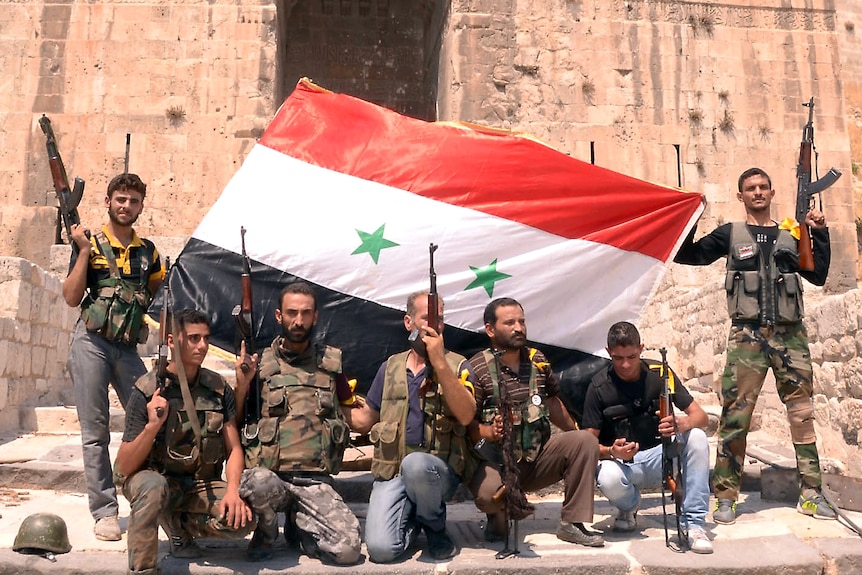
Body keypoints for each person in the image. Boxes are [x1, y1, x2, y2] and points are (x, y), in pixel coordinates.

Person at [674, 167, 836, 523]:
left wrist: (819, 233)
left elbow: (818, 275)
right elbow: (689, 255)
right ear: (740, 195)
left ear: (773, 192)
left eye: (763, 186)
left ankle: (811, 493)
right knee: (736, 416)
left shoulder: (791, 234)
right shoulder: (730, 234)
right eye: (751, 188)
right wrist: (690, 217)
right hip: (746, 337)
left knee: (802, 415)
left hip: (790, 336)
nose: (758, 192)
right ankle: (726, 498)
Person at [62, 173, 164, 541]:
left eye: (133, 201)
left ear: (140, 206)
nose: (126, 206)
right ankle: (104, 512)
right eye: (120, 199)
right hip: (91, 343)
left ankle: (149, 497)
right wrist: (84, 252)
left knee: (151, 415)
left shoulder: (148, 251)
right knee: (95, 432)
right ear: (108, 201)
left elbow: (159, 295)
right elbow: (72, 296)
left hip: (127, 348)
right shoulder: (89, 241)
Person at [114, 309, 254, 575]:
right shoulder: (146, 390)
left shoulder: (218, 389)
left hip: (199, 485)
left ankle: (177, 523)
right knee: (153, 487)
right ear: (171, 342)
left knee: (243, 522)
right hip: (157, 482)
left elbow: (234, 447)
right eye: (193, 338)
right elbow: (124, 466)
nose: (202, 346)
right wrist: (153, 426)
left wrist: (233, 490)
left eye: (205, 338)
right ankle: (143, 569)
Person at [344, 291, 477, 562]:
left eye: (439, 319)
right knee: (381, 550)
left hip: (438, 474)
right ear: (408, 322)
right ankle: (416, 519)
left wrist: (439, 361)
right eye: (426, 318)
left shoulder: (458, 364)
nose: (433, 325)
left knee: (417, 464)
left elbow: (466, 415)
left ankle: (435, 526)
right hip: (394, 473)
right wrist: (335, 402)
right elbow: (366, 419)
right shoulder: (390, 367)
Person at [235, 281, 361, 564]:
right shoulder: (261, 364)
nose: (299, 320)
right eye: (292, 313)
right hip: (271, 475)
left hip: (314, 479)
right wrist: (242, 385)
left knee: (348, 550)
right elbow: (236, 419)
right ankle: (266, 534)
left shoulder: (330, 365)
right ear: (279, 316)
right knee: (258, 483)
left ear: (316, 317)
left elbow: (350, 411)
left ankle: (300, 529)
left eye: (306, 313)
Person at [468, 298, 603, 548]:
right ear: (490, 329)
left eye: (522, 321)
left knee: (584, 440)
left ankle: (572, 524)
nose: (518, 327)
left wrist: (576, 439)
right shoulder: (476, 368)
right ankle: (497, 516)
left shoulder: (537, 360)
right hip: (498, 463)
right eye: (509, 323)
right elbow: (469, 424)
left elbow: (552, 403)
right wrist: (489, 431)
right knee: (488, 497)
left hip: (536, 460)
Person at [582, 322, 713, 553]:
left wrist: (681, 423)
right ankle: (629, 507)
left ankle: (694, 525)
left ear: (641, 348)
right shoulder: (598, 386)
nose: (625, 364)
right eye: (618, 357)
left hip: (661, 457)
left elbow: (701, 417)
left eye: (631, 356)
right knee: (606, 475)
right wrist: (611, 451)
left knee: (698, 438)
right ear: (607, 351)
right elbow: (587, 444)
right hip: (623, 466)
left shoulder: (661, 374)